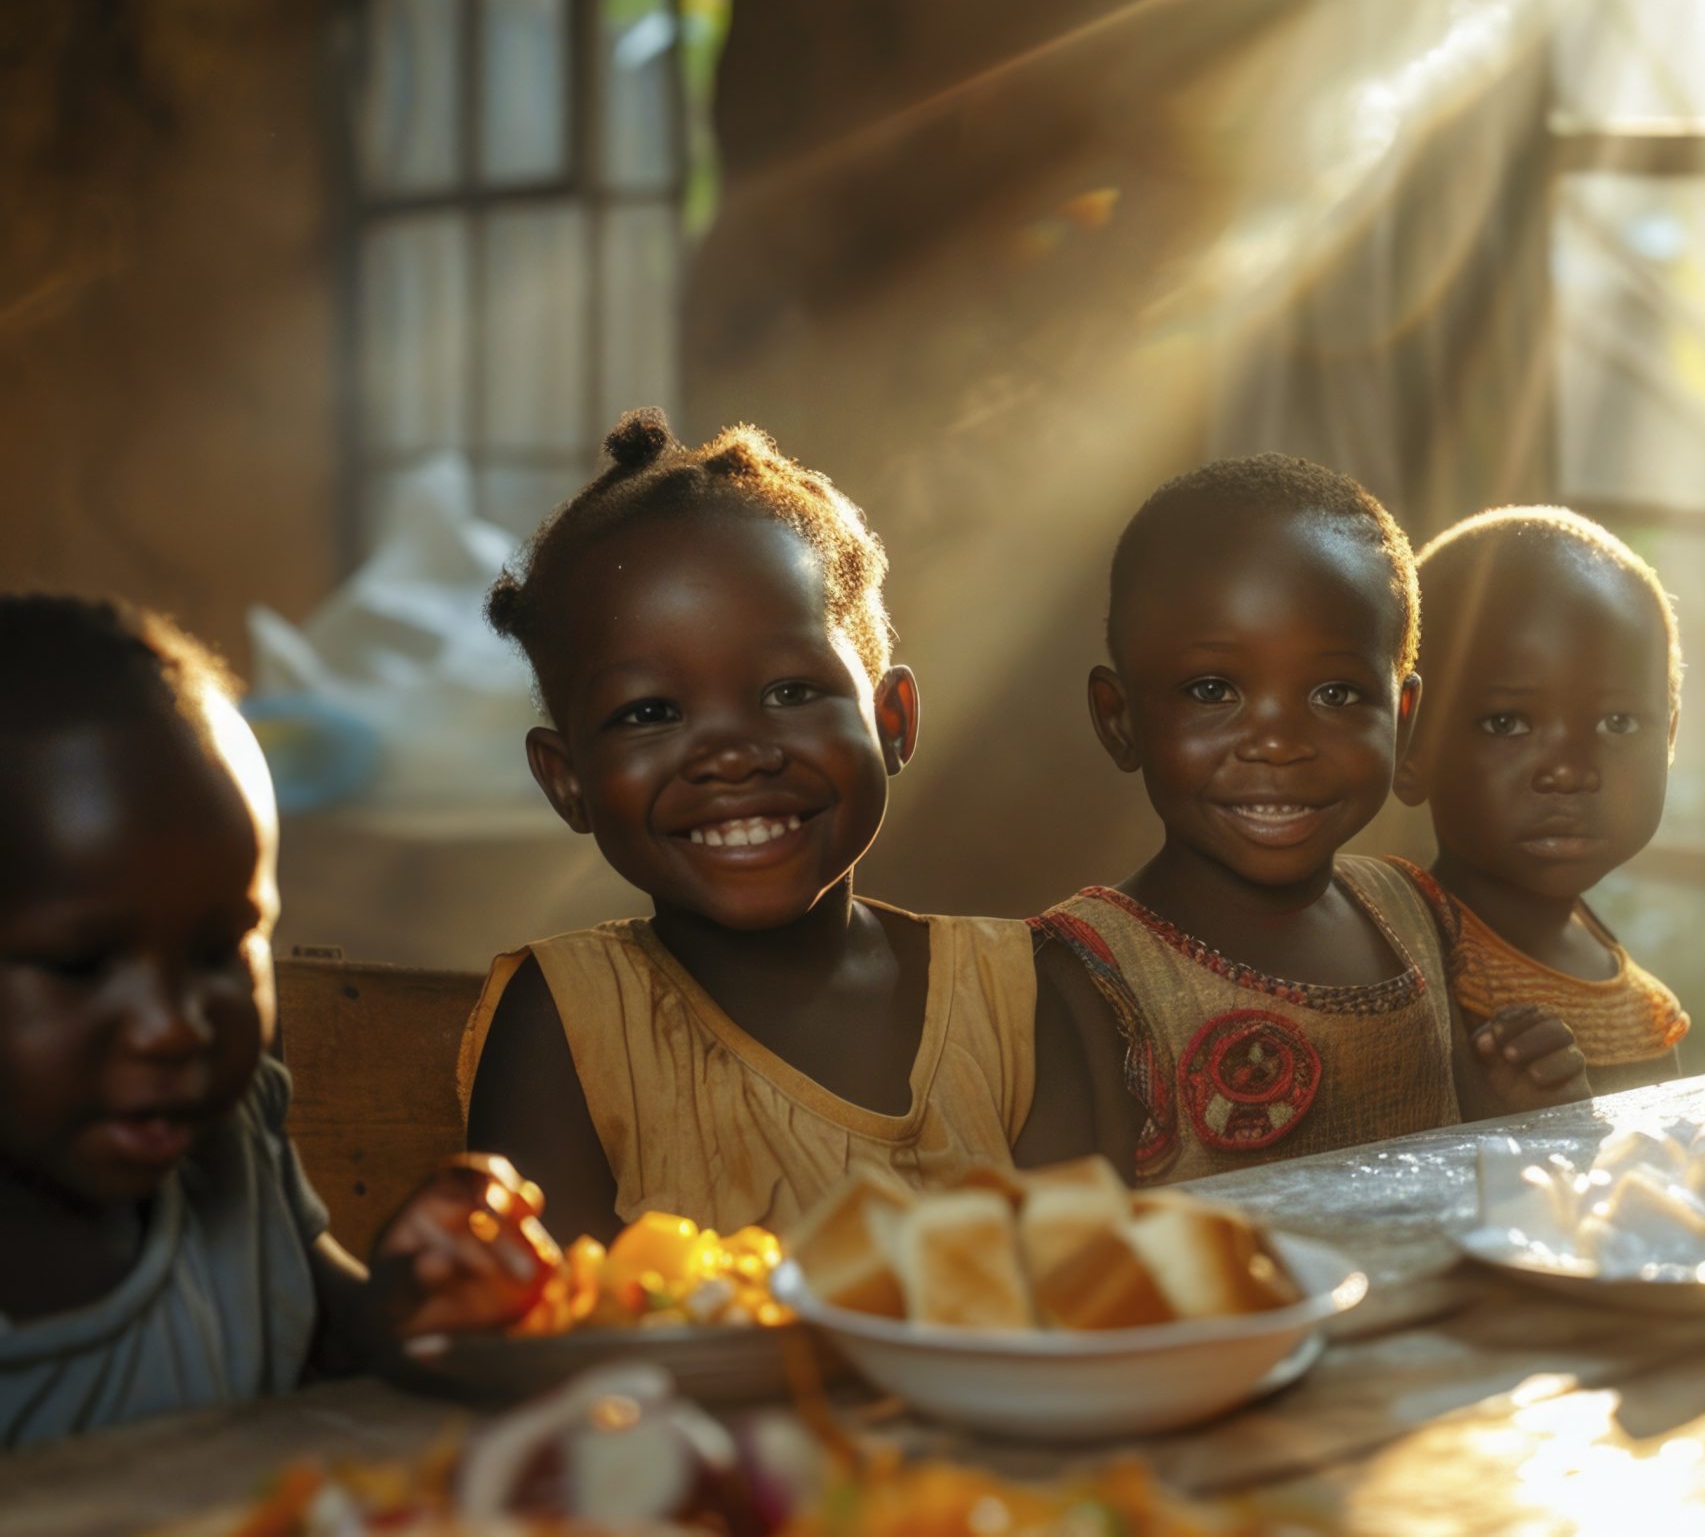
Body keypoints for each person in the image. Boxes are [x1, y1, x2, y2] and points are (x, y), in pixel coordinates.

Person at [459, 412, 1044, 1240]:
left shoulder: (1018, 997)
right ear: (568, 781)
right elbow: (559, 1328)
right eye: (650, 711)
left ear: (893, 720)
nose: (732, 755)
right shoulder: (569, 1026)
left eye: (789, 692)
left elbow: (1099, 1291)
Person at [0, 596, 549, 1446]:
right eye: (80, 965)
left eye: (221, 951)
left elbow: (331, 1342)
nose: (173, 1028)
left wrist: (409, 1296)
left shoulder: (232, 1140)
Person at [1030, 455, 1591, 1185]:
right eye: (1212, 689)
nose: (1278, 742)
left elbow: (1457, 1154)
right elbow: (1069, 1249)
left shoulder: (1413, 912)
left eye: (1335, 693)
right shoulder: (1083, 972)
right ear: (1121, 718)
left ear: (1405, 717)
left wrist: (1519, 1115)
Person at [1390, 507, 1691, 1093]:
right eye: (1507, 723)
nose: (1569, 771)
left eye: (1618, 722)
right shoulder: (1394, 964)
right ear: (1409, 746)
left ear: (1671, 736)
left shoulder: (1645, 1007)